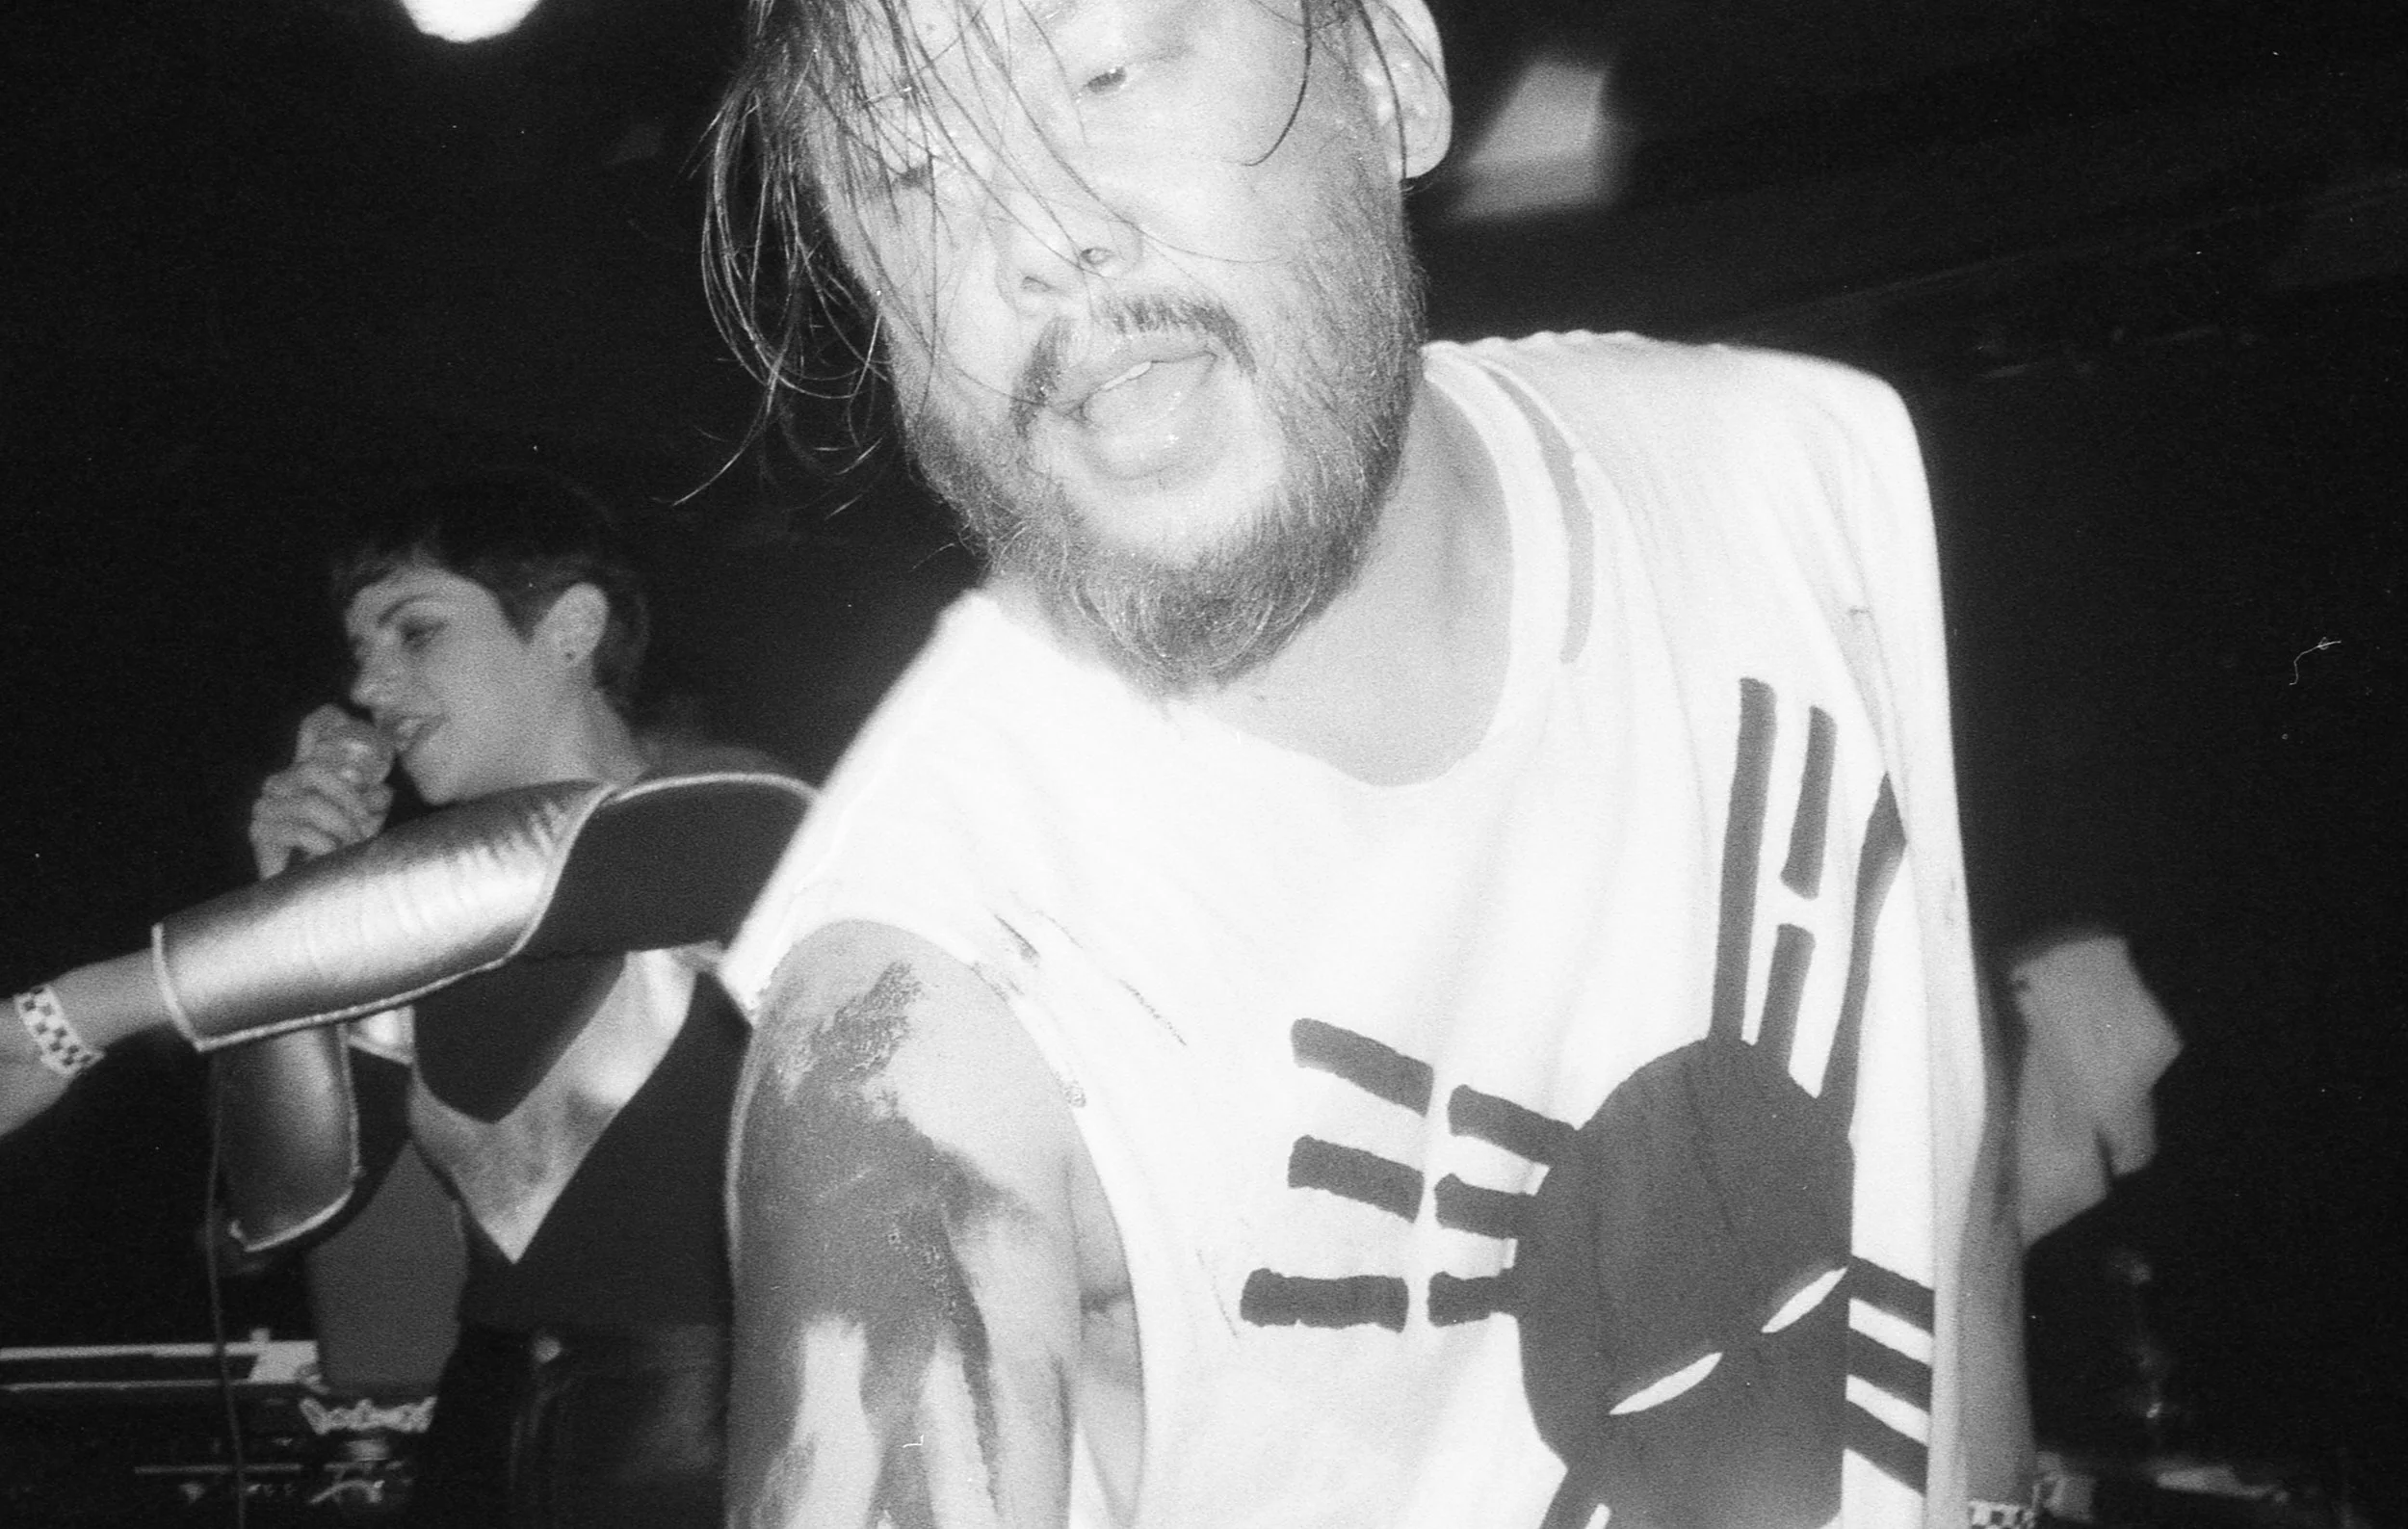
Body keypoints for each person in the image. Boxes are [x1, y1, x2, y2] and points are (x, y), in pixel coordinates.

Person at [701, 1, 2033, 1527]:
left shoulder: (1802, 472)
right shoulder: (919, 1017)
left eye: (1108, 73)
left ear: (1393, 72)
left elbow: (1947, 1168)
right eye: (906, 176)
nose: (1032, 235)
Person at [4, 470, 810, 1527]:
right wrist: (291, 894)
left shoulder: (742, 822)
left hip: (713, 1446)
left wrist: (61, 1022)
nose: (369, 689)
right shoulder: (396, 933)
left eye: (414, 633)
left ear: (570, 628)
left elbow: (530, 871)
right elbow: (290, 1199)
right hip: (479, 1439)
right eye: (360, 652)